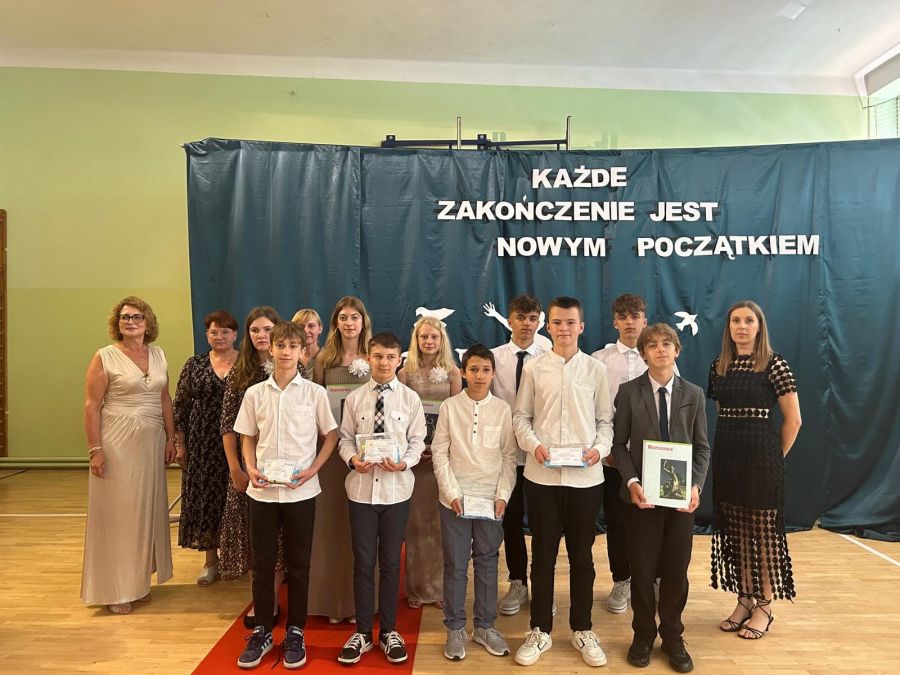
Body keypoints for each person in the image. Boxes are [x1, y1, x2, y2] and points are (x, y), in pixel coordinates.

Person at [512, 296, 613, 668]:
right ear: (548, 326)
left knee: (582, 557)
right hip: (541, 478)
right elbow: (521, 417)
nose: (564, 328)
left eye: (571, 322)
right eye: (557, 322)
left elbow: (605, 422)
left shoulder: (596, 370)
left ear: (581, 326)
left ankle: (582, 628)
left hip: (586, 479)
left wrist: (599, 450)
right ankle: (540, 629)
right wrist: (534, 446)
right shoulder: (534, 369)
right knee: (542, 557)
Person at [233, 321, 338, 669]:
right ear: (270, 349)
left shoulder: (315, 393)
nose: (286, 352)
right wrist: (250, 467)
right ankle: (263, 630)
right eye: (280, 345)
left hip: (300, 492)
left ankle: (295, 631)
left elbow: (331, 435)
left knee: (299, 565)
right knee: (262, 565)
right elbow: (247, 436)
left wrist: (313, 469)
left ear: (302, 351)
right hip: (262, 492)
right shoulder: (255, 393)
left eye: (293, 346)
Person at [611, 323, 710, 673]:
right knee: (641, 571)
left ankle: (672, 635)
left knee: (675, 571)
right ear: (643, 354)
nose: (661, 349)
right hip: (642, 499)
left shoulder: (694, 393)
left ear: (677, 350)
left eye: (667, 344)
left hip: (681, 501)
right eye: (652, 345)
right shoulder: (628, 392)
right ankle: (642, 634)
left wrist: (696, 486)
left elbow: (702, 448)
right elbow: (618, 445)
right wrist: (632, 481)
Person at [708, 301, 801, 640]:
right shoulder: (719, 366)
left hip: (761, 460)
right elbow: (724, 411)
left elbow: (794, 420)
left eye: (749, 320)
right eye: (736, 320)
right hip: (728, 457)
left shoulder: (775, 364)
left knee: (762, 535)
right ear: (729, 327)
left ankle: (764, 605)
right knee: (736, 531)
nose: (742, 326)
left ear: (759, 326)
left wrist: (774, 457)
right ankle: (744, 599)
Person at [336, 333, 427, 666]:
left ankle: (388, 631)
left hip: (396, 491)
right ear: (368, 358)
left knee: (390, 563)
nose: (384, 362)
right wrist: (352, 460)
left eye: (390, 357)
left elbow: (418, 440)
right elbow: (344, 439)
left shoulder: (410, 399)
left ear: (399, 359)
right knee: (363, 563)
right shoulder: (355, 398)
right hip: (360, 491)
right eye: (378, 356)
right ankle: (362, 631)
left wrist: (405, 462)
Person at [82, 296, 175, 614]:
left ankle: (138, 582)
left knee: (145, 512)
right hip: (117, 444)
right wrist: (95, 449)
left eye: (137, 317)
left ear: (148, 323)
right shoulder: (104, 357)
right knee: (119, 515)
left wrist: (171, 437)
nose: (130, 322)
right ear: (117, 323)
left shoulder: (158, 354)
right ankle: (115, 589)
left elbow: (164, 398)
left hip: (152, 443)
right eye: (125, 317)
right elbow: (91, 406)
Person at [432, 344, 517, 661]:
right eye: (474, 369)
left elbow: (509, 457)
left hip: (490, 500)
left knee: (487, 562)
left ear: (493, 374)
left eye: (486, 370)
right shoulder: (450, 407)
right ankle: (455, 628)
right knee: (455, 564)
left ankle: (484, 626)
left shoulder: (503, 410)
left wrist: (502, 495)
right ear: (463, 373)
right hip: (455, 499)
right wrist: (451, 492)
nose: (480, 376)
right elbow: (440, 452)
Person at [219, 306, 286, 627]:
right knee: (252, 538)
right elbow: (228, 427)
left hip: (283, 468)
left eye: (268, 330)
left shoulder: (293, 369)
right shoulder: (240, 372)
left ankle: (271, 600)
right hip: (249, 467)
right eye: (255, 330)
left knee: (279, 539)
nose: (262, 336)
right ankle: (260, 601)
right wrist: (236, 469)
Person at [310, 296, 373, 623]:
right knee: (331, 525)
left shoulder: (373, 356)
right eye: (343, 317)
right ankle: (334, 603)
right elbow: (314, 404)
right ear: (335, 322)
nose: (349, 323)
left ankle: (358, 603)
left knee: (360, 528)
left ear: (363, 321)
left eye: (354, 317)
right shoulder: (324, 358)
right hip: (332, 453)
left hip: (365, 455)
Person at [489, 294, 550, 616]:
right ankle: (517, 581)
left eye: (532, 318)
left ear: (539, 321)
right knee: (510, 521)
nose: (526, 324)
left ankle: (542, 585)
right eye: (521, 318)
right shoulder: (495, 358)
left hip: (541, 453)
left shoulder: (550, 356)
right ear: (509, 320)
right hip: (507, 455)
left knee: (543, 523)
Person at [397, 316, 462, 609]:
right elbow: (399, 417)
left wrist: (438, 449)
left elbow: (456, 417)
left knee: (440, 524)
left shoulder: (453, 373)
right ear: (416, 340)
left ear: (442, 340)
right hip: (413, 459)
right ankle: (418, 588)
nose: (429, 341)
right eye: (423, 336)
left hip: (441, 456)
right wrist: (413, 449)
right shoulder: (404, 373)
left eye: (434, 337)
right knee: (416, 524)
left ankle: (440, 588)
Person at [591, 293, 649, 614]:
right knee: (616, 521)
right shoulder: (599, 359)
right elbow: (591, 408)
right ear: (615, 322)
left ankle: (650, 577)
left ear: (644, 320)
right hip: (613, 457)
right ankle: (622, 579)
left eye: (635, 316)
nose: (629, 322)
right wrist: (605, 451)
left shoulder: (659, 354)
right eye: (623, 317)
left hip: (650, 456)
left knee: (650, 520)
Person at [173, 310, 239, 586]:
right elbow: (180, 405)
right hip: (201, 445)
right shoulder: (194, 364)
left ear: (235, 335)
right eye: (214, 332)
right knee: (206, 502)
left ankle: (235, 560)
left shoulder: (246, 364)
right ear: (206, 335)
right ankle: (211, 562)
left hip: (238, 443)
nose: (219, 336)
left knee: (234, 503)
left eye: (225, 332)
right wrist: (180, 444)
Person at [291, 308, 323, 374]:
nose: (305, 330)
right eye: (300, 326)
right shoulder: (288, 357)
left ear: (320, 329)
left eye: (311, 326)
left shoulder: (330, 358)